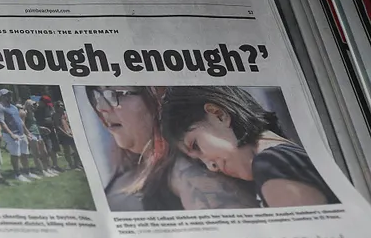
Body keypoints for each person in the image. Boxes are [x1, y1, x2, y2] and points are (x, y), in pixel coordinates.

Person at [159, 86, 339, 207]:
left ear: (219, 115)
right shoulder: (282, 156)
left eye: (196, 145)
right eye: (199, 160)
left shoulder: (271, 164)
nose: (210, 166)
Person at [87, 85, 258, 211]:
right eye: (97, 94)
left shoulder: (186, 169)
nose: (101, 107)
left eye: (117, 94)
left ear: (159, 97)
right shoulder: (132, 164)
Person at [0, 90, 33, 182]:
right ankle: (17, 174)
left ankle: (27, 172)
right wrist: (11, 134)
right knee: (15, 155)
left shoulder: (13, 107)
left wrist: (27, 133)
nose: (8, 97)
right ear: (1, 96)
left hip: (21, 133)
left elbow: (20, 121)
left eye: (9, 95)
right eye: (6, 95)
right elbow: (2, 122)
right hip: (11, 134)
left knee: (25, 153)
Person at [56, 101, 81, 169]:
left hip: (71, 133)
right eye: (59, 106)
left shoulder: (66, 114)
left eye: (62, 105)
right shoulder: (56, 115)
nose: (61, 107)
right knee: (67, 151)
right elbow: (58, 126)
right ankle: (70, 164)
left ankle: (77, 164)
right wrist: (66, 133)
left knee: (77, 150)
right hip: (63, 135)